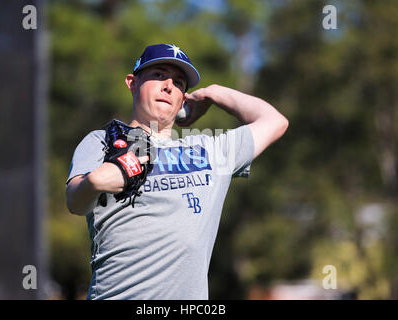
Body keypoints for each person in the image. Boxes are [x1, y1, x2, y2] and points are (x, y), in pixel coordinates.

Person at [65, 43, 288, 300]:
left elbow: (275, 122)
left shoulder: (210, 149)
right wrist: (94, 182)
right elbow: (75, 201)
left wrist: (214, 93)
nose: (169, 86)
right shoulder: (103, 141)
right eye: (158, 75)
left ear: (183, 98)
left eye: (179, 83)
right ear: (132, 82)